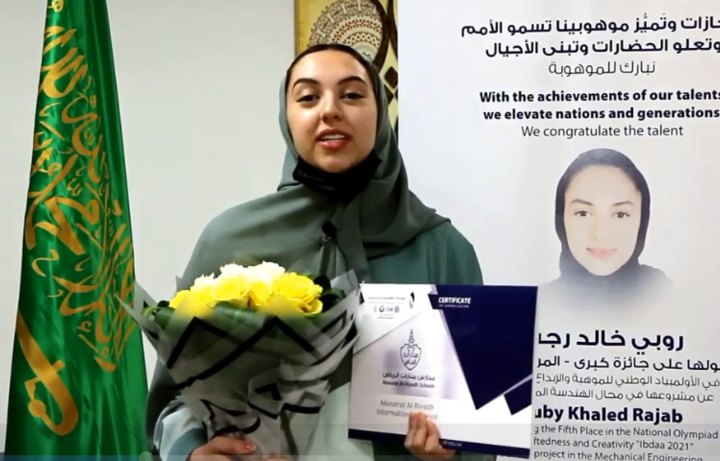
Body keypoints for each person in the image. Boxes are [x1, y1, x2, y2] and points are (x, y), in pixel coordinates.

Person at [145, 43, 491, 461]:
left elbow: (483, 425)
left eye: (352, 95)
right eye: (308, 97)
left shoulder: (443, 249)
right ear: (287, 119)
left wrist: (453, 455)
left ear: (381, 114)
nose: (330, 111)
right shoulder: (231, 241)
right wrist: (191, 453)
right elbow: (173, 402)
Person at [545, 148, 669, 304]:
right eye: (583, 213)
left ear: (642, 220)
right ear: (561, 220)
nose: (601, 234)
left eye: (620, 214)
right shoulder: (536, 302)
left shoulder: (672, 298)